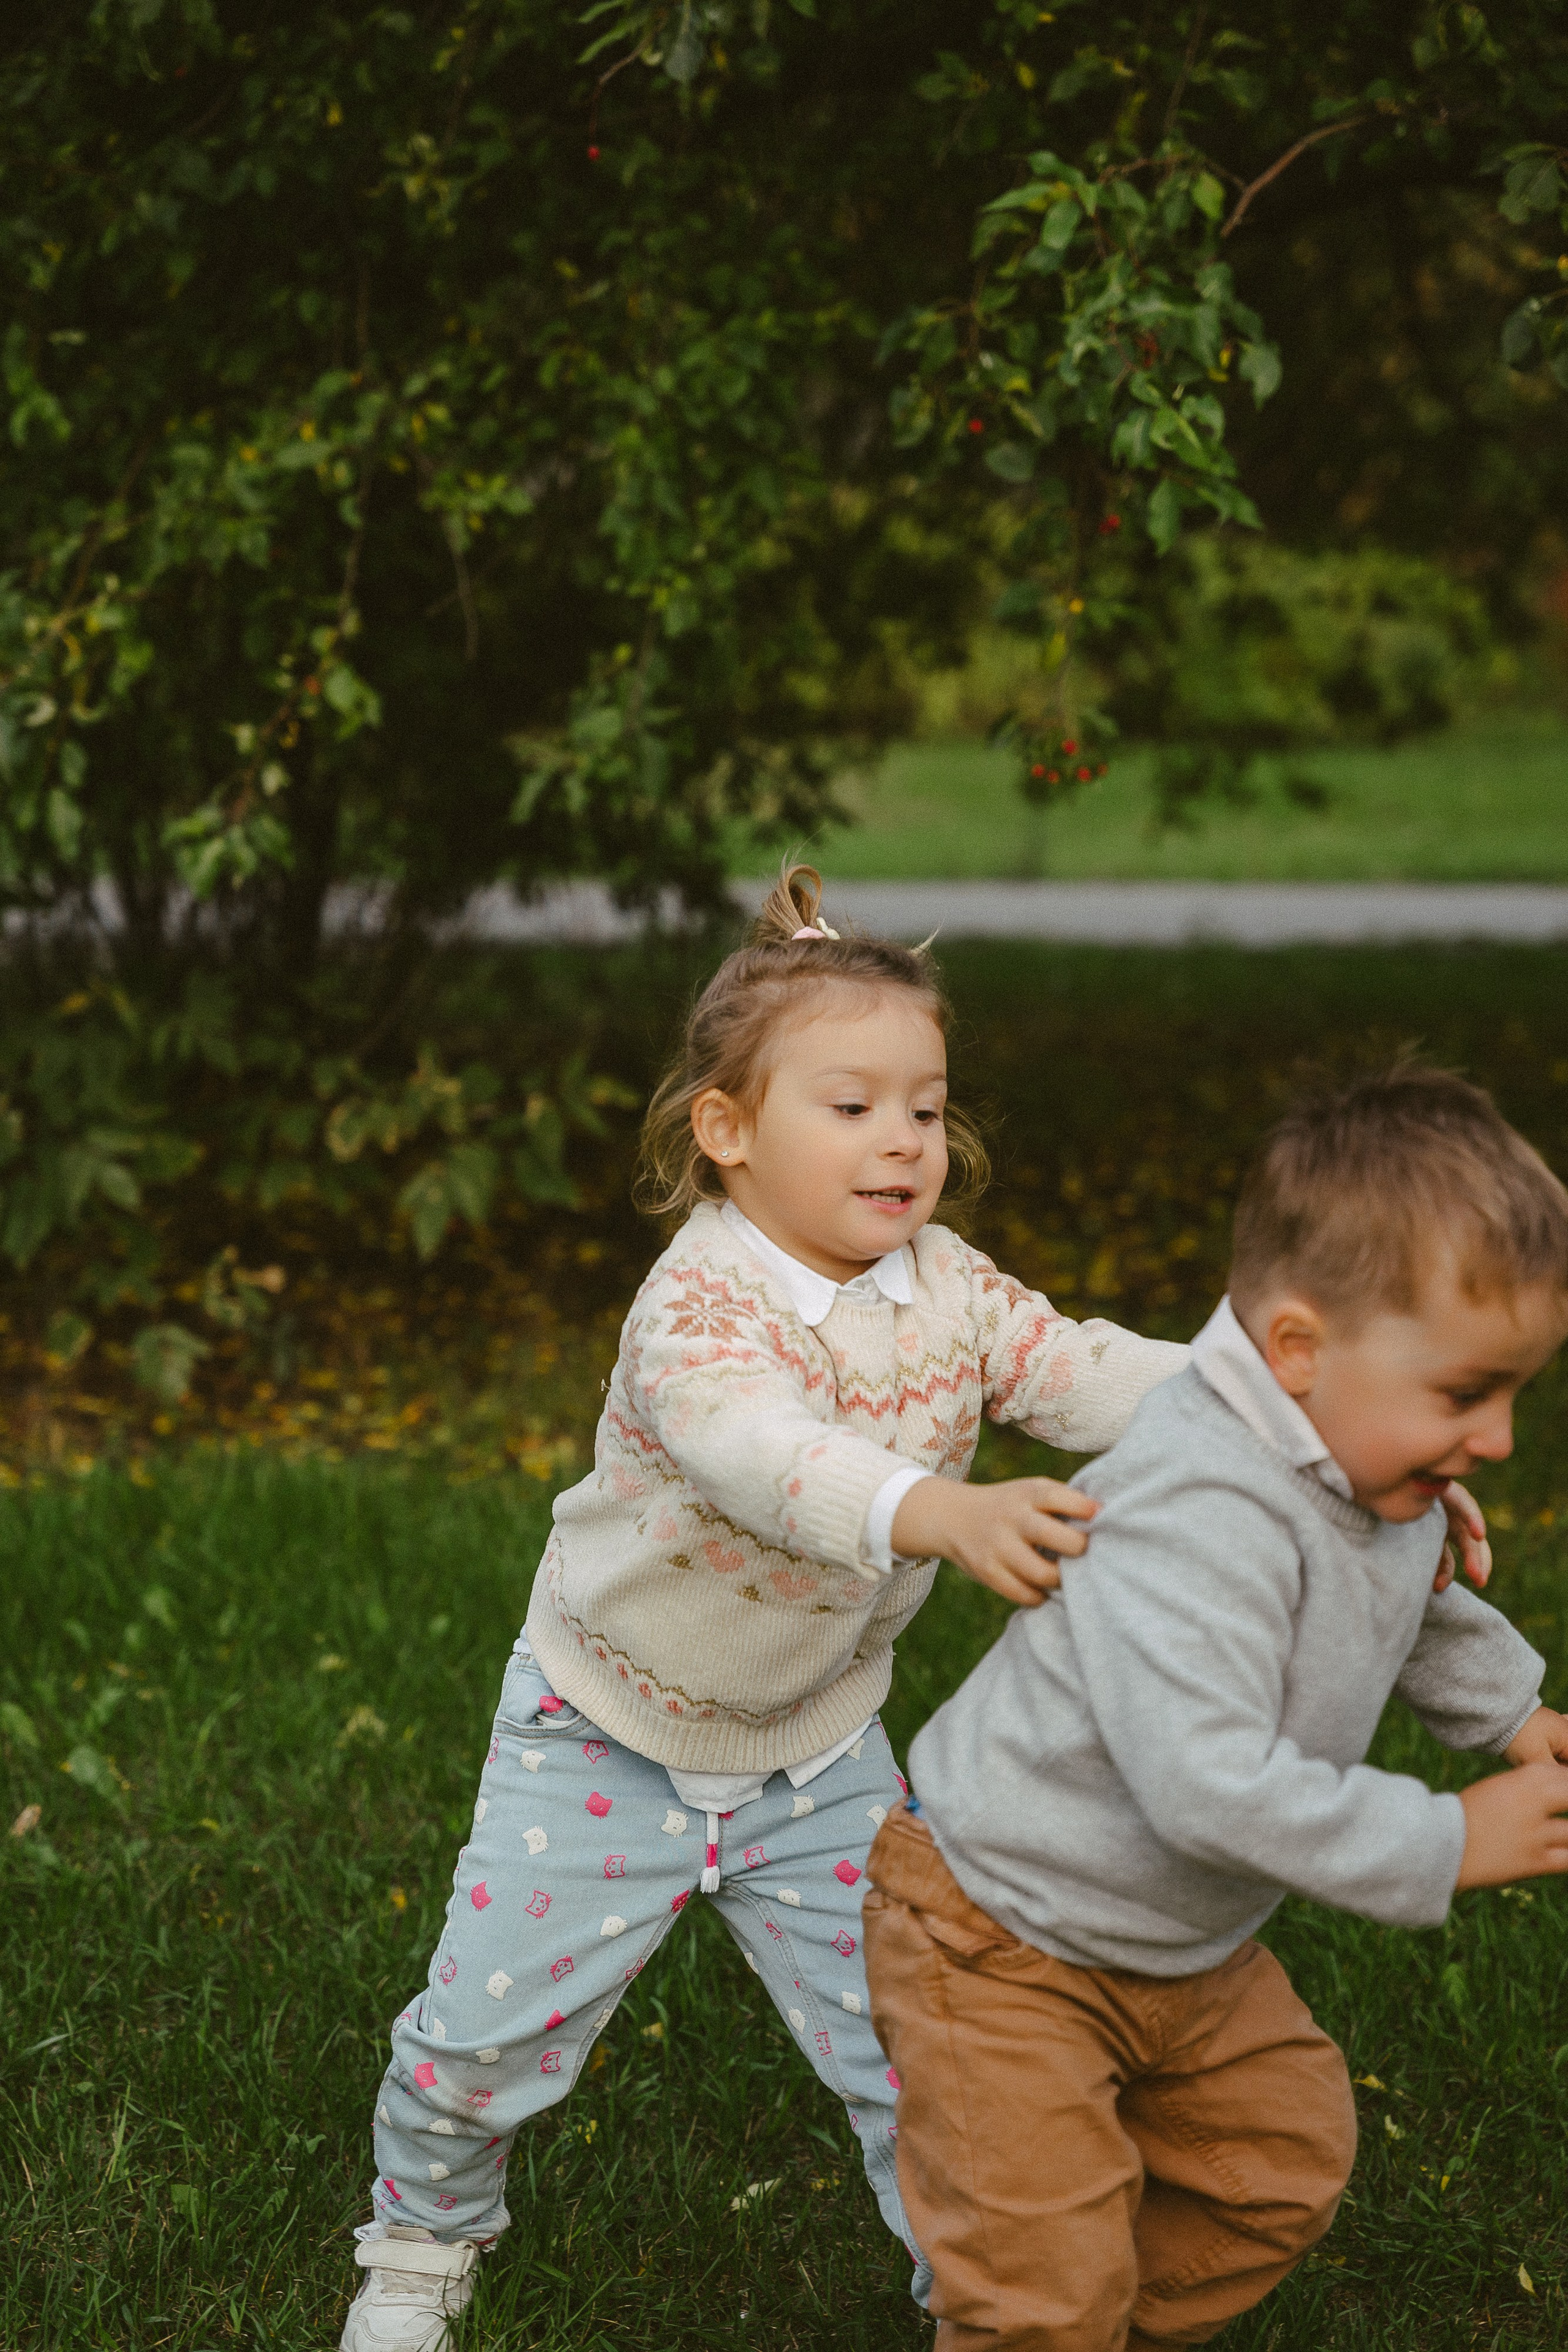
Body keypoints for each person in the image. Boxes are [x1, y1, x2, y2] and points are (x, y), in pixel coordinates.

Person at [337, 861, 1201, 2351]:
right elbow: (762, 1458)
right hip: (603, 1733)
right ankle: (421, 2238)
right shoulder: (697, 1306)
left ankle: (990, 2298)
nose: (903, 1143)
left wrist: (1280, 1406)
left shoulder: (944, 1284)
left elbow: (1076, 1367)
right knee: (482, 2046)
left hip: (816, 1757)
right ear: (724, 1134)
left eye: (923, 1107)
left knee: (914, 2052)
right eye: (851, 1106)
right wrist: (934, 1511)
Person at [863, 1063, 1568, 2352]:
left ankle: (1076, 2311)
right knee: (1039, 2287)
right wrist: (1447, 1839)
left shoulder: (1341, 1461)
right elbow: (1204, 1784)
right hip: (999, 1931)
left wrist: (1513, 1714)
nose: (1503, 1440)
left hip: (1169, 1940)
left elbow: (1401, 1590)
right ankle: (1037, 2307)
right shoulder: (1200, 1506)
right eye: (1465, 1395)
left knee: (1276, 2163)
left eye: (1513, 1393)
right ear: (1296, 1349)